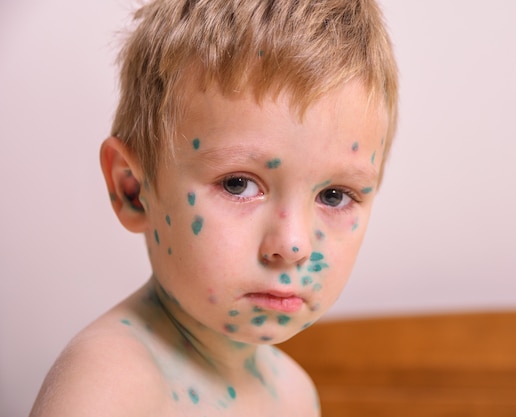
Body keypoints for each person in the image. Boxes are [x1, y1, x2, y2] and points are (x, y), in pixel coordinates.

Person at [30, 0, 398, 415]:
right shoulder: (110, 387)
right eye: (238, 185)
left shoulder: (295, 394)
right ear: (133, 190)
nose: (292, 245)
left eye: (334, 196)